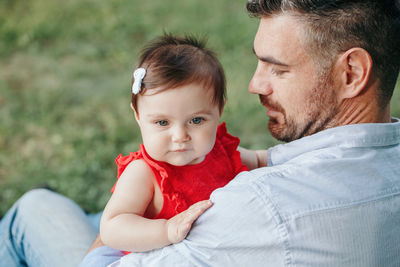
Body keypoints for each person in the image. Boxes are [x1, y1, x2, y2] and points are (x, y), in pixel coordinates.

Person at [1, 0, 399, 266]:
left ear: (351, 73)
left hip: (137, 245)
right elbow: (264, 160)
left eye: (277, 68)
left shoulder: (263, 210)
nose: (255, 84)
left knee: (33, 210)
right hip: (143, 219)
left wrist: (140, 234)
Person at [98, 33, 259, 257]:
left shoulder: (221, 151)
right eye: (162, 122)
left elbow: (263, 160)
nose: (180, 136)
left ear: (219, 110)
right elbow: (111, 227)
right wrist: (166, 229)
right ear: (137, 115)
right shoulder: (144, 173)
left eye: (196, 120)